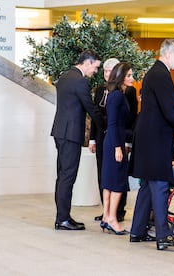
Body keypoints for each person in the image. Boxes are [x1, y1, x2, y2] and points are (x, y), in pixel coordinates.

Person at [129, 38, 174, 250]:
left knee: (147, 186)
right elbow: (169, 110)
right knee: (160, 185)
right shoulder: (161, 75)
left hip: (147, 138)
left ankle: (137, 231)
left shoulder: (154, 72)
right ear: (168, 53)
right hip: (155, 141)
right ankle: (163, 236)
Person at [51, 50, 104, 230]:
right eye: (95, 67)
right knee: (68, 176)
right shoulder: (81, 81)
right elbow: (90, 107)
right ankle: (62, 219)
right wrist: (105, 125)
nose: (95, 72)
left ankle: (63, 216)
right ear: (87, 63)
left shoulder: (65, 77)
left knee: (62, 175)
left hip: (60, 132)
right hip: (71, 133)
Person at [89, 58, 125, 222]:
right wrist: (92, 139)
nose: (106, 74)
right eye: (104, 71)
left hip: (117, 135)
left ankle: (117, 211)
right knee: (103, 173)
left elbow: (127, 118)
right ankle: (106, 211)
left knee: (117, 176)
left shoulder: (125, 92)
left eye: (110, 71)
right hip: (102, 135)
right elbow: (94, 114)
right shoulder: (100, 90)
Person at [99, 62, 134, 235]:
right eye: (128, 76)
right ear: (120, 76)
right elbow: (112, 124)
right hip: (114, 142)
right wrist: (118, 148)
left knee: (109, 181)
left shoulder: (117, 94)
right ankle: (112, 217)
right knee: (118, 182)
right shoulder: (117, 96)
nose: (132, 78)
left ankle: (107, 216)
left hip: (114, 141)